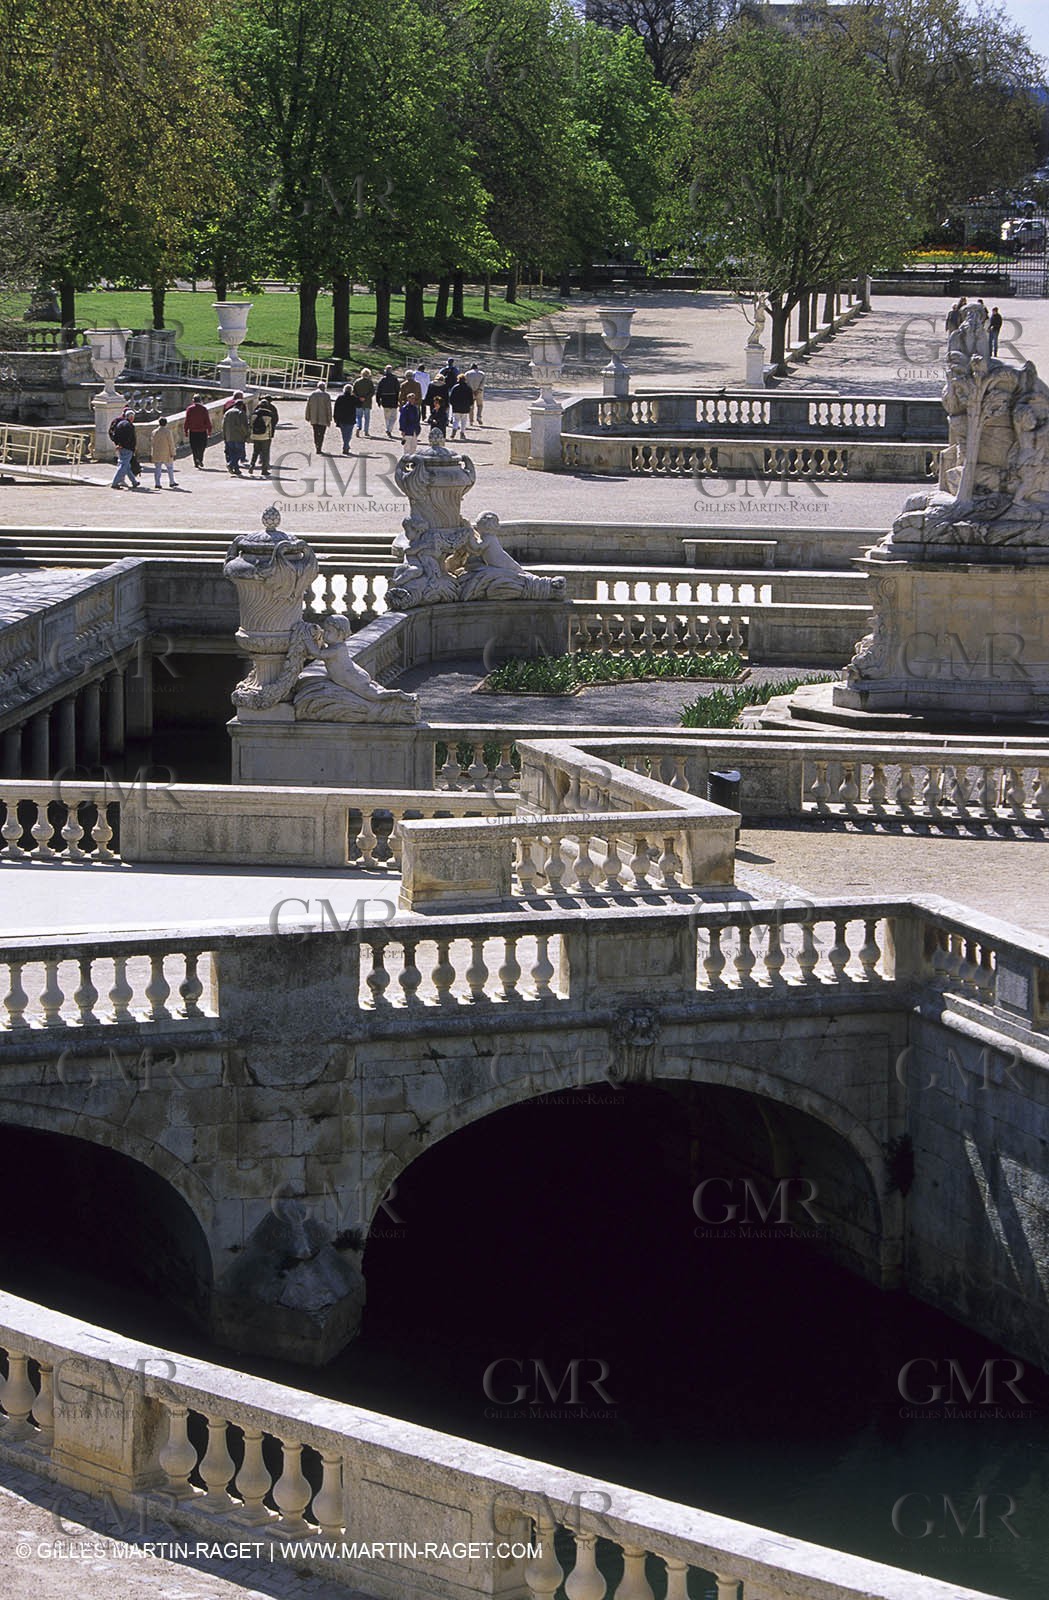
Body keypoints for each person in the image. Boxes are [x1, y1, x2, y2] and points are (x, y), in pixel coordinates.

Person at [109, 409, 142, 490]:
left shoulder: (120, 424)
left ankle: (134, 482)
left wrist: (118, 444)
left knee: (127, 466)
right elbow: (130, 438)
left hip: (121, 447)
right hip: (127, 448)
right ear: (131, 417)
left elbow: (115, 435)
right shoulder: (129, 426)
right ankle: (115, 482)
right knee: (123, 465)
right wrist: (130, 447)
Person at [248, 395, 279, 476]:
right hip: (265, 436)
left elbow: (251, 424)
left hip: (255, 436)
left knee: (255, 452)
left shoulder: (254, 413)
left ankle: (251, 466)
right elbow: (272, 425)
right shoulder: (269, 414)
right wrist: (271, 435)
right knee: (265, 453)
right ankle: (264, 470)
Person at [222, 397, 250, 476]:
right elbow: (243, 426)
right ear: (241, 405)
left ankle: (236, 469)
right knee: (239, 452)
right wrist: (247, 434)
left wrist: (224, 435)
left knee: (231, 452)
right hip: (238, 436)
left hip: (228, 436)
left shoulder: (227, 412)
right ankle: (231, 464)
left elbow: (223, 425)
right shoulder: (241, 413)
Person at [183, 394, 211, 468]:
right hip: (202, 431)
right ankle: (200, 459)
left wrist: (186, 431)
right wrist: (209, 430)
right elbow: (207, 421)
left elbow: (187, 421)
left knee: (194, 447)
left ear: (193, 401)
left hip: (193, 431)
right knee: (202, 446)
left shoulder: (189, 409)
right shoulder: (203, 409)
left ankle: (196, 461)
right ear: (200, 400)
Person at [151, 416, 178, 489]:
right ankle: (171, 482)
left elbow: (152, 443)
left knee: (157, 469)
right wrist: (173, 452)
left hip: (157, 453)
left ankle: (157, 483)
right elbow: (171, 443)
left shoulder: (154, 432)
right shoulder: (168, 432)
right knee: (170, 468)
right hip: (166, 453)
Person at [305, 381, 332, 453]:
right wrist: (330, 418)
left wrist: (307, 416)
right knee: (322, 433)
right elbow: (329, 408)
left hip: (314, 417)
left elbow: (308, 406)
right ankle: (319, 446)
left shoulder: (312, 395)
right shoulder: (326, 395)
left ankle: (316, 445)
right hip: (323, 418)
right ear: (324, 387)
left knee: (315, 432)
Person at [375, 365, 400, 436]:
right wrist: (398, 399)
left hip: (385, 399)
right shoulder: (395, 379)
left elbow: (378, 391)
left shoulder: (382, 380)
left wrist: (378, 400)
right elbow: (398, 390)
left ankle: (387, 428)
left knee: (387, 416)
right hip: (393, 399)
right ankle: (389, 429)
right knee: (393, 417)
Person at [333, 384, 356, 455]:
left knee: (344, 434)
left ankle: (346, 445)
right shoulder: (353, 398)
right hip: (350, 418)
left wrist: (335, 418)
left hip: (341, 418)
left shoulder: (340, 397)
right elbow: (359, 404)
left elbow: (336, 408)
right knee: (349, 434)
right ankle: (346, 446)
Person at [449, 374, 473, 440]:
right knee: (464, 421)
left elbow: (451, 398)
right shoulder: (468, 388)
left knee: (455, 420)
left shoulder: (455, 387)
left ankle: (453, 432)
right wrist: (470, 405)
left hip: (456, 407)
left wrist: (453, 404)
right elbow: (471, 398)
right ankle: (462, 433)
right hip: (465, 407)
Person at [352, 367, 375, 436]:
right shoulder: (370, 382)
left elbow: (353, 391)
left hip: (358, 402)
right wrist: (366, 397)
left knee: (358, 416)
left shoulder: (357, 381)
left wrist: (359, 397)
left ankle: (358, 427)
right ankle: (366, 431)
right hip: (367, 402)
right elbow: (372, 392)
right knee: (367, 417)